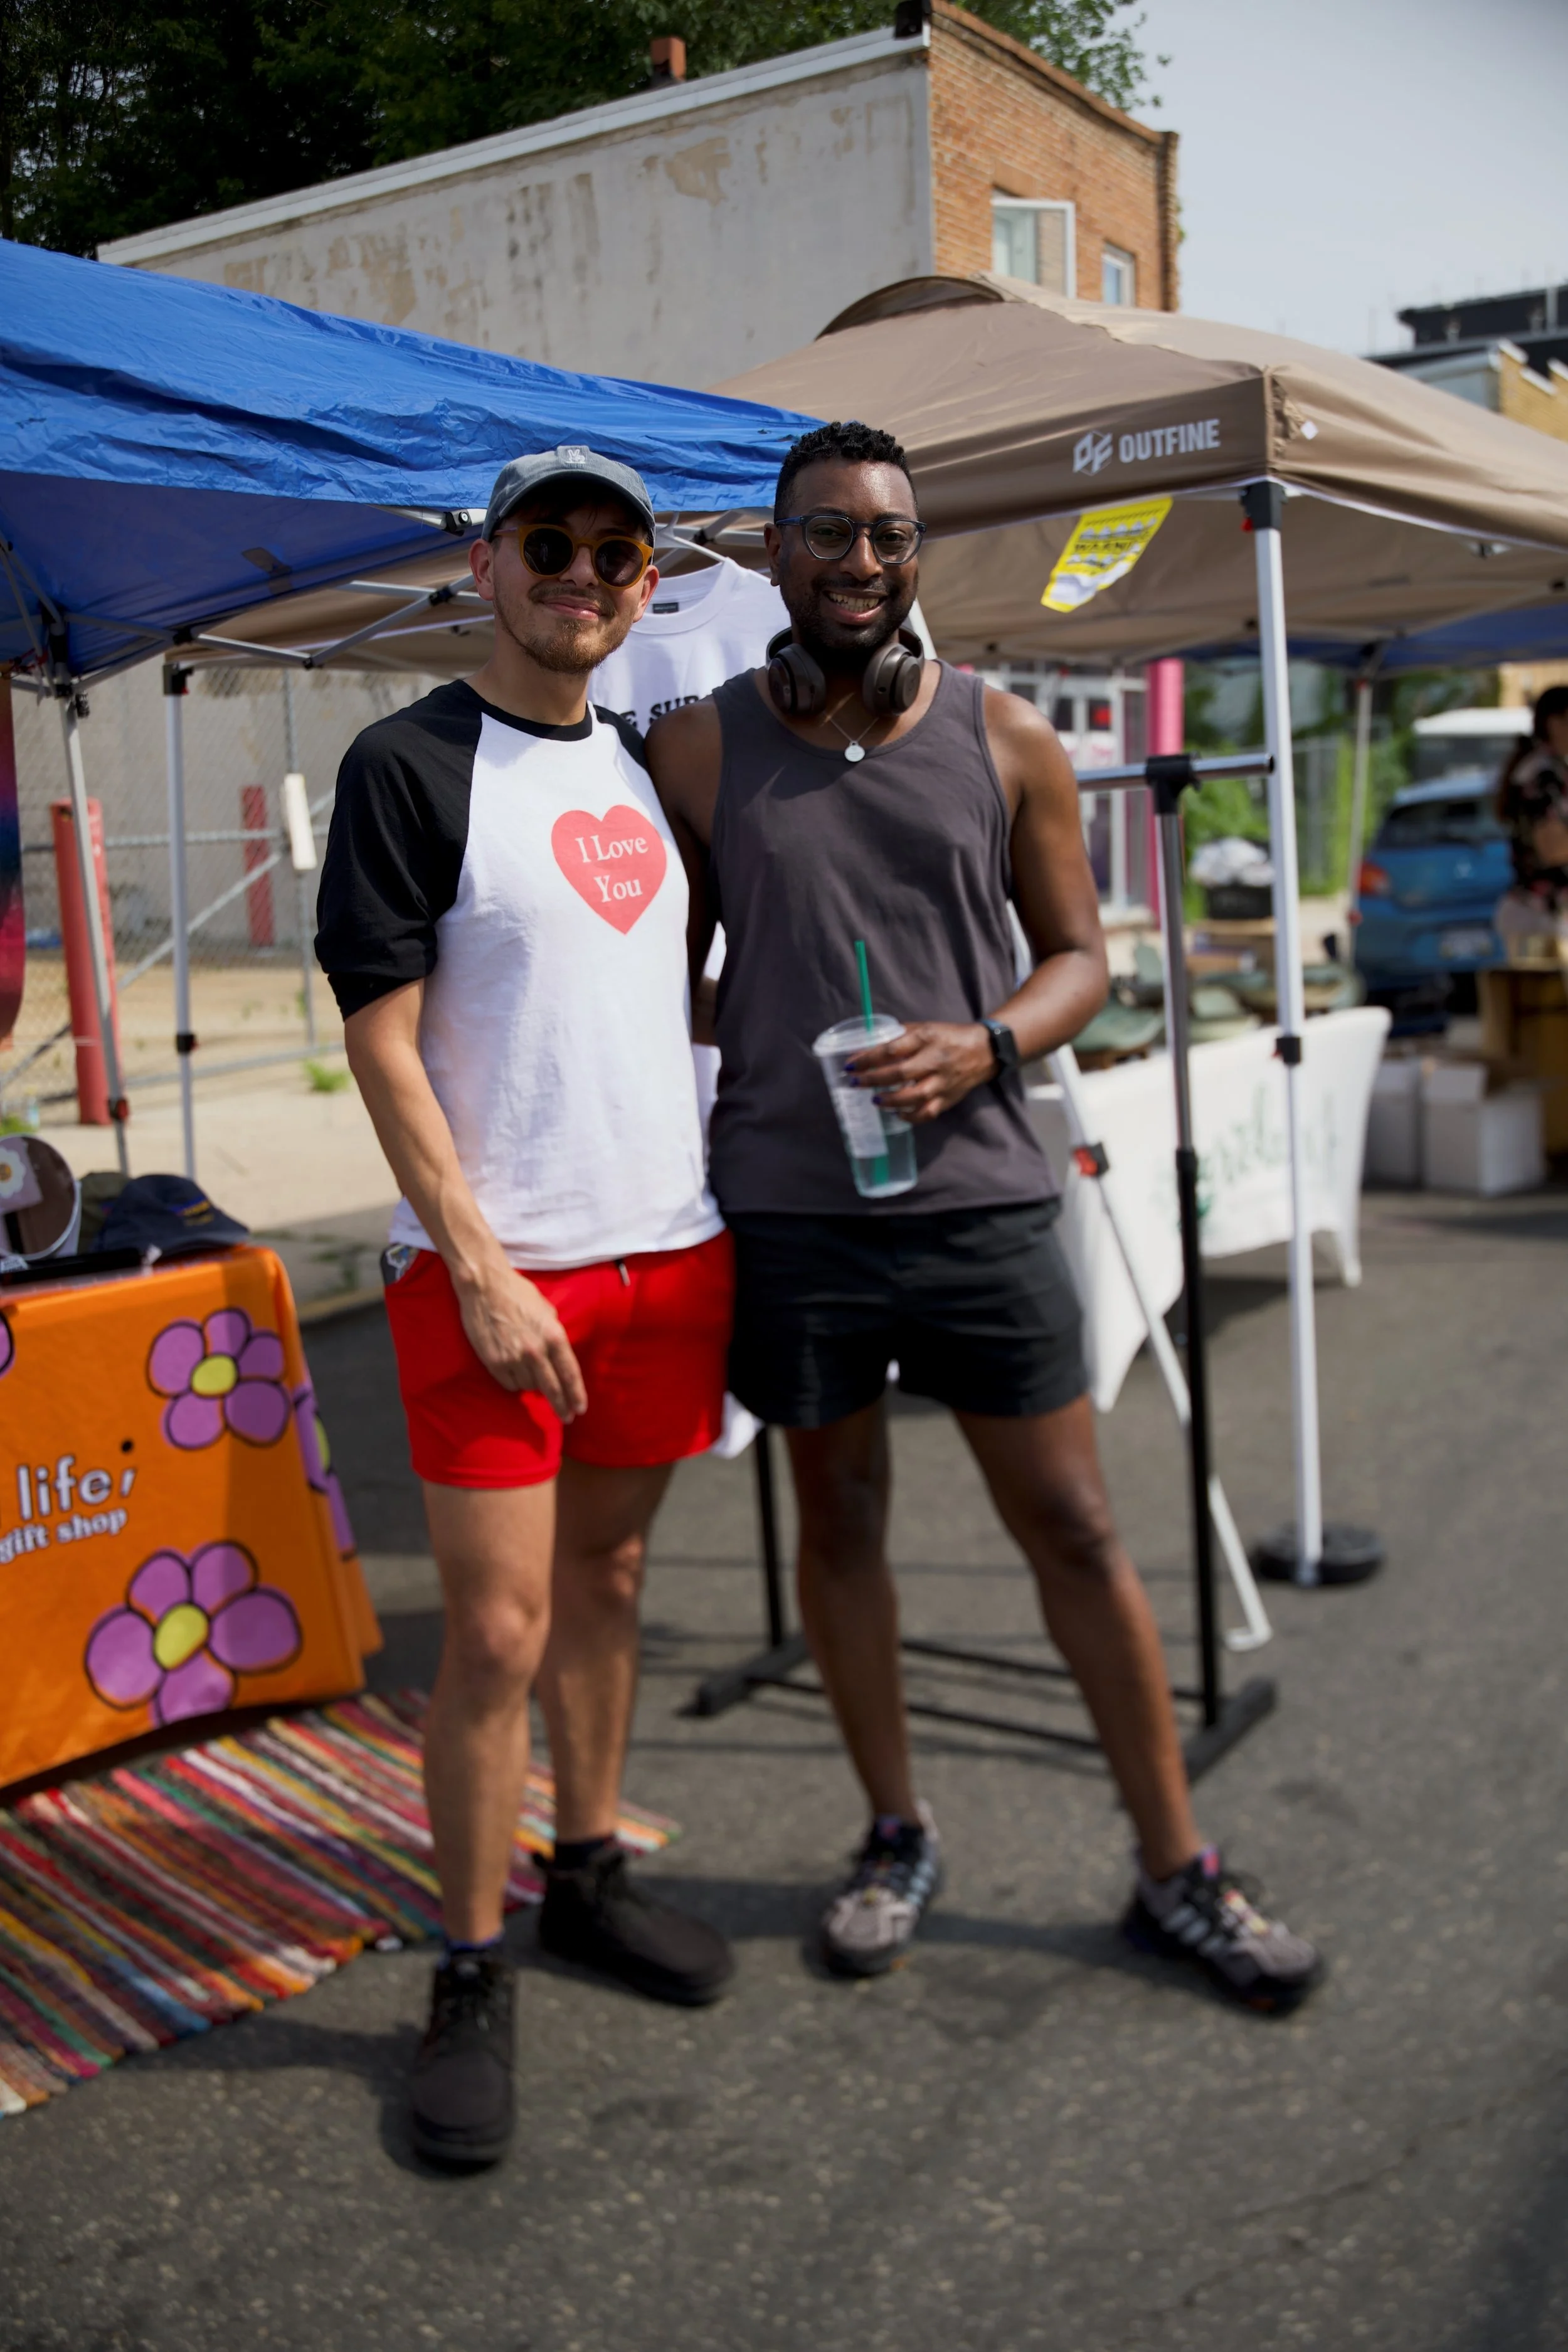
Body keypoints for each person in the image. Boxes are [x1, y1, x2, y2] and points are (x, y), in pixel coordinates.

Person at [648, 418, 1323, 2013]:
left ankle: (1177, 1864)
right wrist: (753, 1029)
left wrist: (987, 1043)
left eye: (887, 535)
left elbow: (1082, 959)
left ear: (915, 558)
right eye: (826, 532)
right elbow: (656, 970)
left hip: (983, 1199)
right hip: (794, 1208)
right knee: (840, 1521)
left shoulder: (1009, 736)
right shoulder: (695, 750)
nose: (859, 560)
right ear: (774, 553)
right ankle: (896, 1833)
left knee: (1075, 1526)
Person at [316, 446, 735, 2171]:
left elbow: (655, 999)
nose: (583, 572)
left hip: (673, 1252)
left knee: (609, 1583)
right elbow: (379, 1037)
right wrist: (478, 1262)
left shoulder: (650, 763)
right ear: (485, 564)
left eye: (616, 554)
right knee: (494, 1632)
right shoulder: (409, 761)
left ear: (645, 587)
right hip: (492, 1271)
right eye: (549, 541)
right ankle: (470, 1960)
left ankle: (588, 1868)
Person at [1496, 684, 1568, 919]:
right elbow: (1552, 849)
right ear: (1555, 723)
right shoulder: (1543, 773)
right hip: (1541, 914)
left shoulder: (1548, 768)